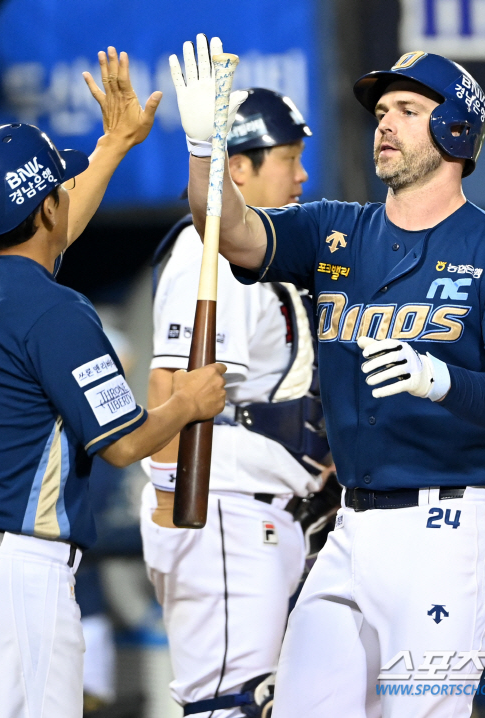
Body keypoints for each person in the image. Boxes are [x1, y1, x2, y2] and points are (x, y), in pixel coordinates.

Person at [174, 42, 485, 718]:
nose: (384, 123)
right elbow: (232, 236)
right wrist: (203, 150)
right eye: (382, 110)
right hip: (354, 525)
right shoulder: (338, 230)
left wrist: (443, 379)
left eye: (408, 110)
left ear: (455, 130)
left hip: (457, 520)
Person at [0, 47, 226, 718]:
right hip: (12, 591)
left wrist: (115, 144)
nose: (67, 198)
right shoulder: (55, 310)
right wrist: (189, 402)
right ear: (44, 209)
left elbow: (50, 230)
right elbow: (125, 445)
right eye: (59, 191)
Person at [142, 71, 330, 717]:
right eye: (288, 158)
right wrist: (175, 518)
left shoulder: (261, 255)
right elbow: (170, 388)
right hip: (216, 509)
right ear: (239, 168)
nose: (302, 175)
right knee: (230, 702)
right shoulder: (208, 248)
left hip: (260, 513)